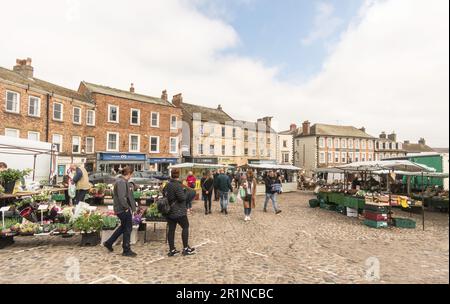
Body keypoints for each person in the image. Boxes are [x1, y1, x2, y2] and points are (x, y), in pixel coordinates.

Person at [103, 166, 137, 257]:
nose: (131, 176)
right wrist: (126, 207)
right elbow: (122, 197)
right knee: (127, 228)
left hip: (120, 209)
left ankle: (109, 242)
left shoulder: (121, 181)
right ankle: (126, 250)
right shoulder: (121, 182)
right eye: (131, 174)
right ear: (129, 174)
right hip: (122, 209)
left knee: (123, 227)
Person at [165, 169, 195, 257]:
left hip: (170, 210)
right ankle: (185, 249)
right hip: (178, 211)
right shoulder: (177, 185)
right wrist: (185, 192)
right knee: (185, 227)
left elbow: (164, 193)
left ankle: (172, 249)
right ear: (178, 175)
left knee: (171, 229)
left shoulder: (168, 184)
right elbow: (182, 198)